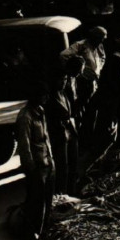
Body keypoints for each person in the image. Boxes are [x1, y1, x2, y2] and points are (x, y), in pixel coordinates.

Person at [16, 82, 54, 240]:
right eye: (43, 95)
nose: (46, 98)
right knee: (35, 205)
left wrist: (51, 159)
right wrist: (30, 169)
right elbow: (24, 147)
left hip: (46, 163)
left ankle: (42, 234)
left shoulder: (41, 111)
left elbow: (46, 139)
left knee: (46, 202)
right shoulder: (25, 116)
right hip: (36, 167)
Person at [45, 59, 84, 196]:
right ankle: (61, 195)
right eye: (60, 80)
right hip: (59, 135)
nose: (63, 82)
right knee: (62, 168)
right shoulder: (49, 97)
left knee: (73, 166)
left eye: (65, 79)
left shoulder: (64, 93)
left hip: (70, 132)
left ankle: (71, 193)